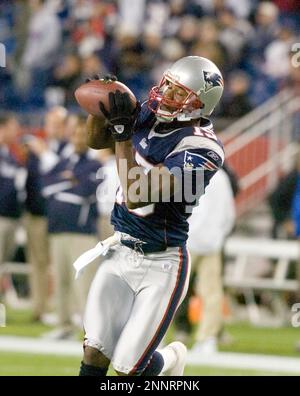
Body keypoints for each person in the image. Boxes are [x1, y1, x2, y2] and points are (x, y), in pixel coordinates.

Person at [77, 56, 225, 376]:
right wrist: (102, 108)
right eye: (167, 84)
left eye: (177, 92)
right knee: (94, 351)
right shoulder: (150, 111)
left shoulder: (202, 149)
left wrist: (121, 134)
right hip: (121, 248)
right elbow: (94, 140)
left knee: (128, 368)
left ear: (198, 103)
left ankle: (170, 360)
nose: (164, 94)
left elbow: (136, 194)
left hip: (162, 261)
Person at [41, 118, 102, 339]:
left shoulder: (95, 165)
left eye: (82, 134)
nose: (78, 138)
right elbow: (44, 185)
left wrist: (67, 183)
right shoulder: (65, 161)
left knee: (83, 285)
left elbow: (86, 191)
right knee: (61, 281)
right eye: (75, 134)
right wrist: (69, 181)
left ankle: (90, 332)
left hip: (81, 232)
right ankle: (64, 326)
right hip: (57, 229)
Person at [188, 168, 236, 354]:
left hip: (188, 241)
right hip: (212, 242)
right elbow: (229, 214)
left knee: (169, 291)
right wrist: (219, 235)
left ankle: (156, 337)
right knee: (212, 294)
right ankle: (207, 339)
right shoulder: (222, 177)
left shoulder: (189, 172)